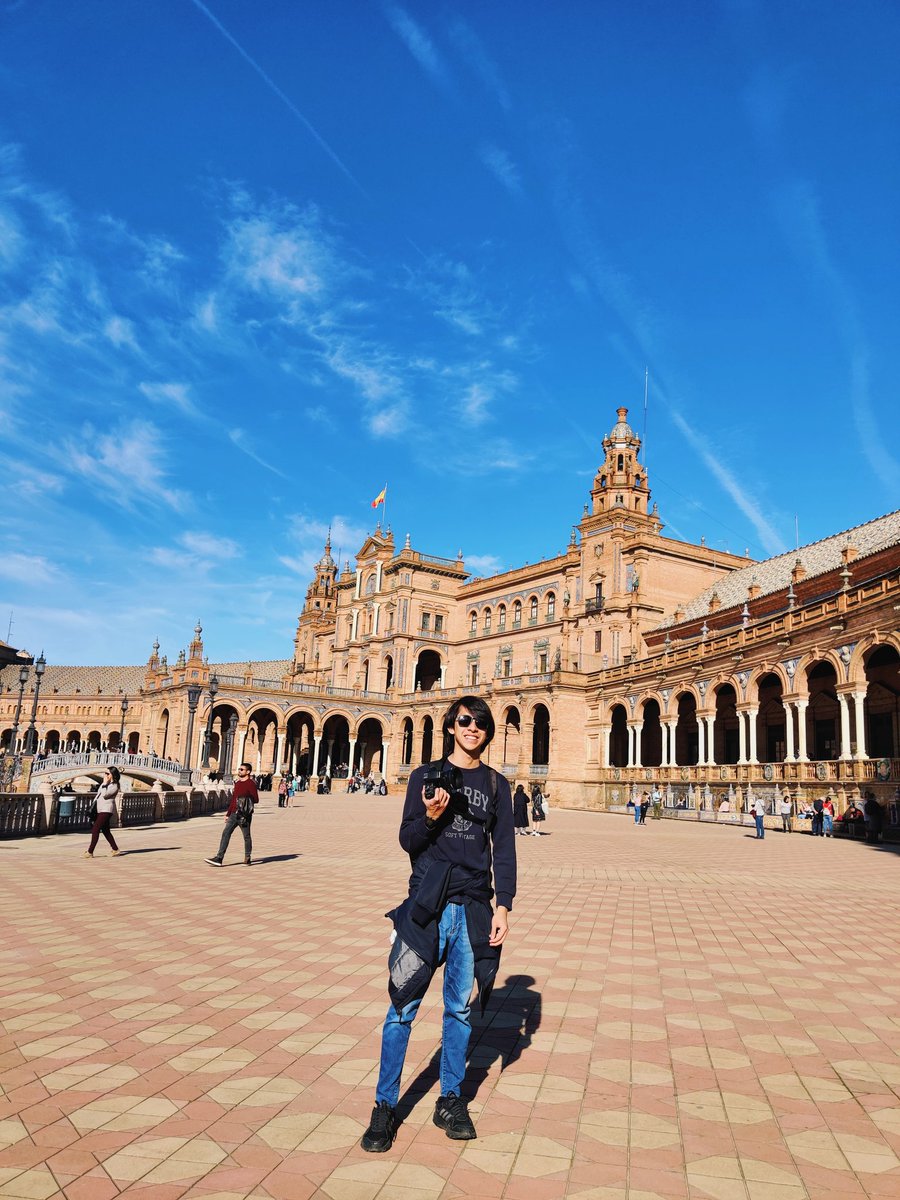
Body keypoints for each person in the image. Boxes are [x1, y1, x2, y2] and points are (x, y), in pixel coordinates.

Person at [360, 695, 516, 1154]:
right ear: (451, 726)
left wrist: (503, 905)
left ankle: (450, 1099)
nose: (474, 729)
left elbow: (503, 849)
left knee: (460, 1011)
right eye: (465, 721)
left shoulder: (495, 784)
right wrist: (430, 817)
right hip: (425, 908)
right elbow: (407, 839)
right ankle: (385, 1106)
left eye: (482, 724)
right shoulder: (425, 777)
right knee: (401, 1009)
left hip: (472, 907)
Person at [205, 763, 259, 867]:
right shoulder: (238, 783)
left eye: (242, 769)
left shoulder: (251, 784)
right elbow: (233, 800)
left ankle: (247, 857)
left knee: (246, 836)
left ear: (248, 772)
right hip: (234, 814)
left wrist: (245, 798)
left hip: (244, 814)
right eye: (239, 769)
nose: (239, 771)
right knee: (226, 833)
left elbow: (256, 799)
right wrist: (228, 814)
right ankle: (219, 858)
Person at [85, 766, 121, 858]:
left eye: (107, 773)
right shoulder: (104, 784)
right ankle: (115, 849)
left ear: (112, 775)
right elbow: (98, 795)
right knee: (106, 830)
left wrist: (105, 783)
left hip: (107, 809)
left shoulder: (115, 786)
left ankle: (90, 851)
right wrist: (92, 807)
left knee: (95, 829)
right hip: (99, 809)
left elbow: (105, 795)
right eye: (105, 773)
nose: (105, 775)